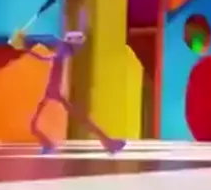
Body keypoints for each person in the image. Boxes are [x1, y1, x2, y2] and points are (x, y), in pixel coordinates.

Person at [9, 22, 126, 155]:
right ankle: (106, 142)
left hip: (54, 92)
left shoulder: (62, 52)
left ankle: (108, 142)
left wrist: (25, 44)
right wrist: (25, 45)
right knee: (36, 124)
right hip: (52, 92)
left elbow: (47, 49)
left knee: (36, 124)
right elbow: (46, 54)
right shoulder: (62, 52)